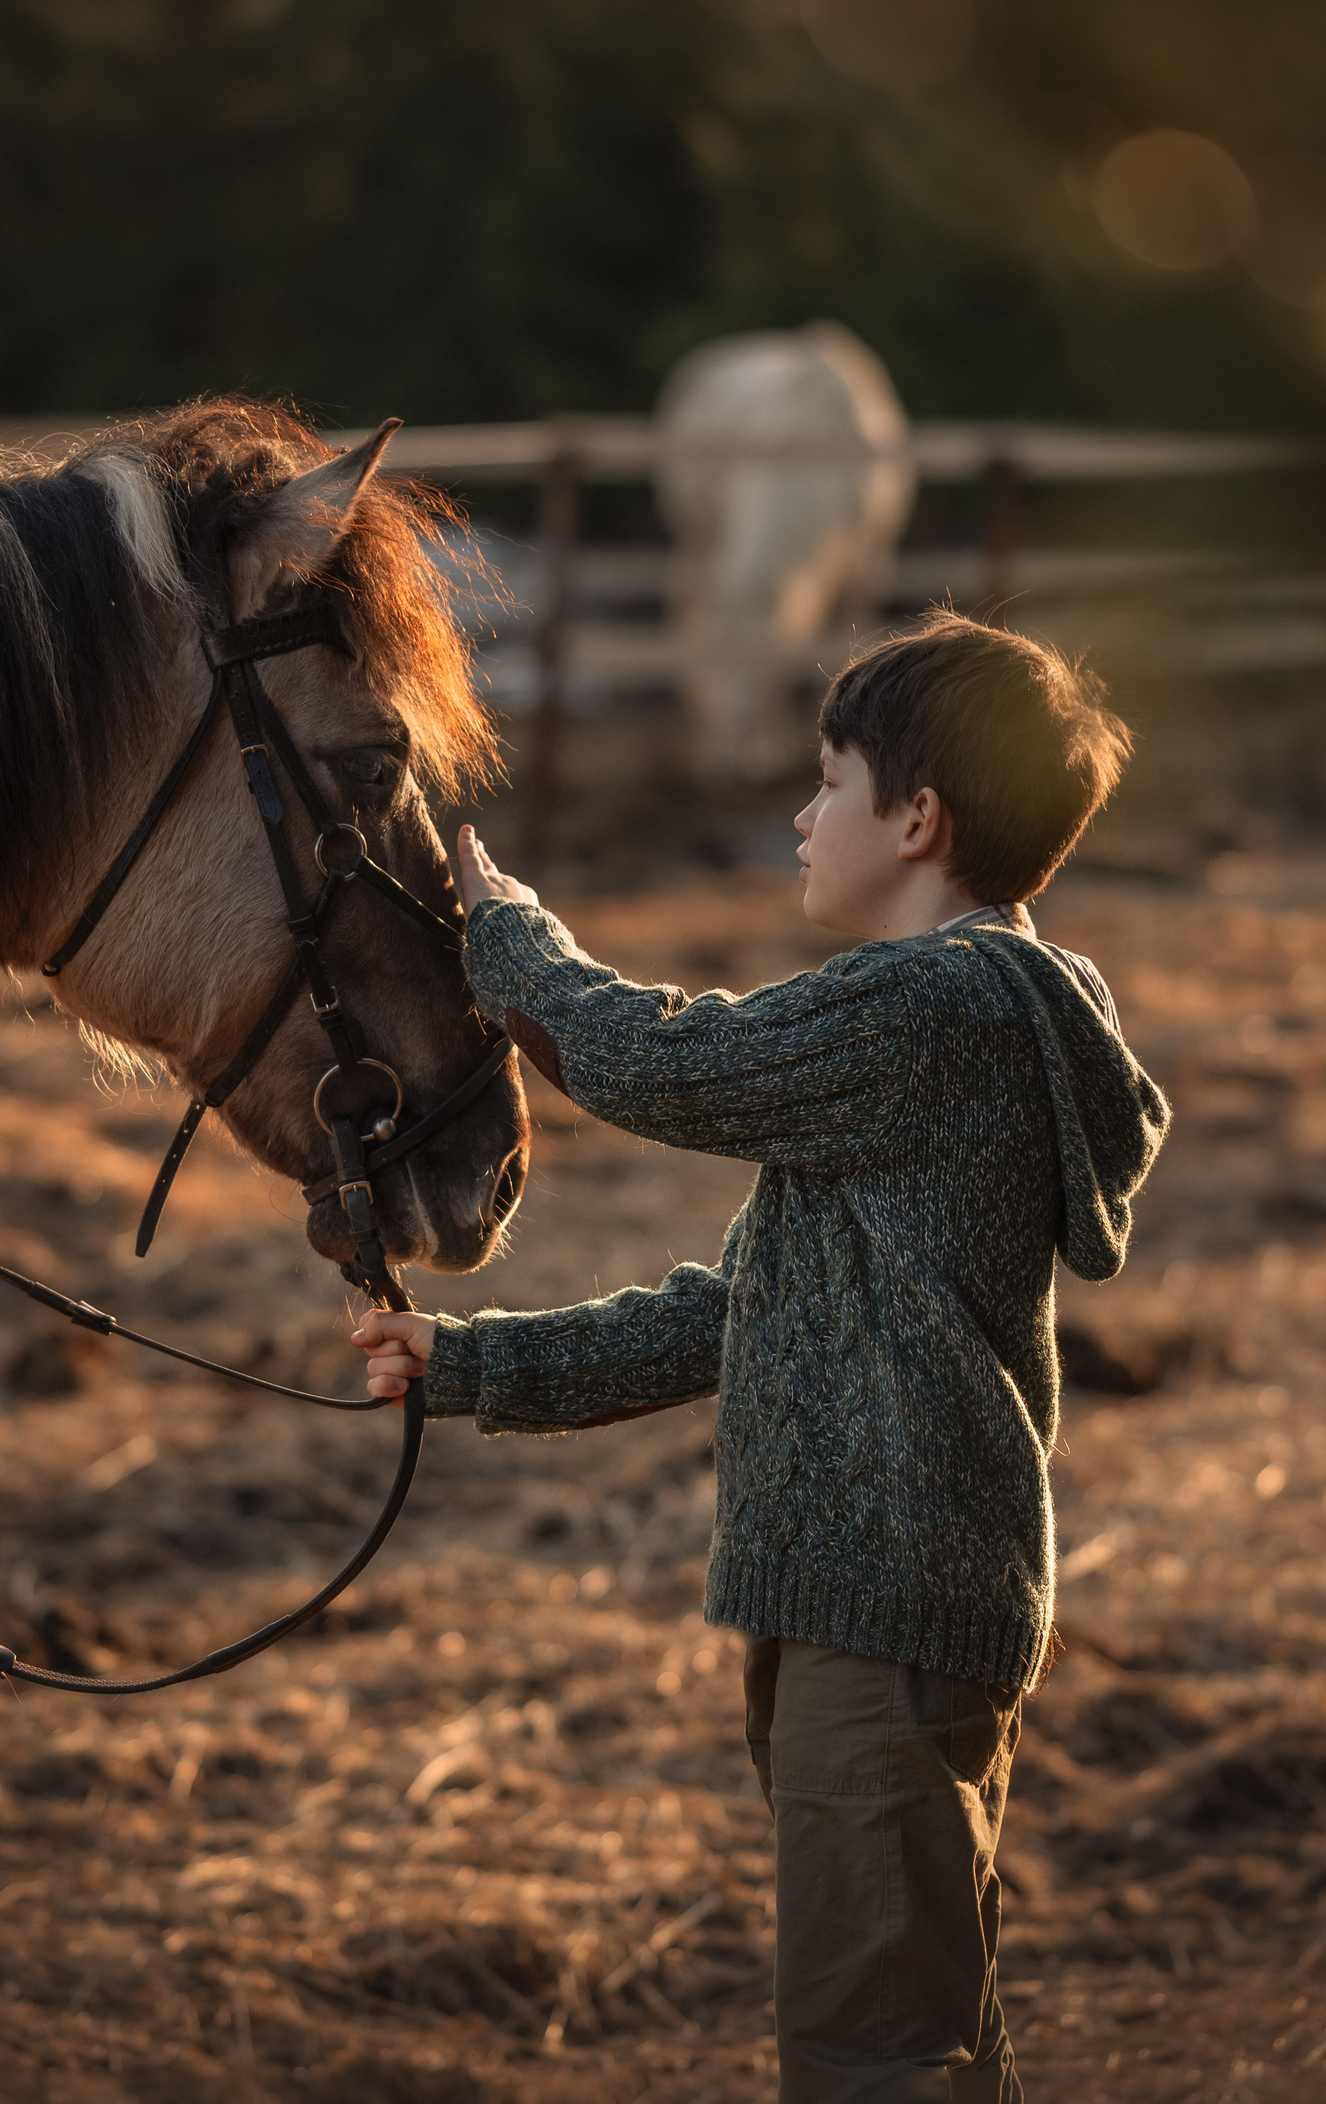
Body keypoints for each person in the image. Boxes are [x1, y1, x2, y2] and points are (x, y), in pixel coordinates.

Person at [353, 611, 1170, 2101]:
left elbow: (667, 1061)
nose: (803, 816)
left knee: (867, 2056)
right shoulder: (921, 1049)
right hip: (877, 1607)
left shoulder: (938, 1006)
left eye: (831, 782)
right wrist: (465, 1365)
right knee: (926, 2033)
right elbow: (717, 1313)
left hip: (885, 1605)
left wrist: (513, 944)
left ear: (917, 819)